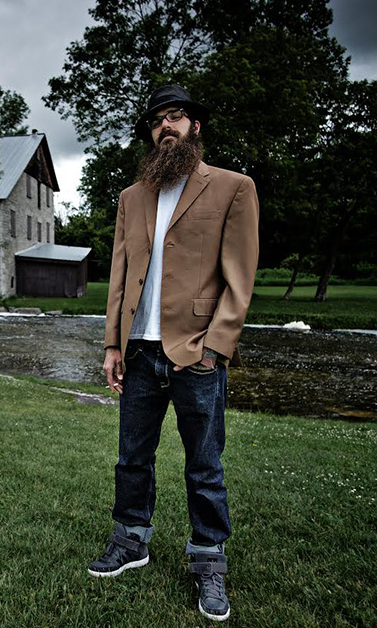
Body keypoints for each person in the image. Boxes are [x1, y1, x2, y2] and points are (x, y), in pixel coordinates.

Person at [88, 84, 259, 623]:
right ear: (150, 132)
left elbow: (240, 278)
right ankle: (131, 540)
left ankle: (208, 559)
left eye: (177, 116)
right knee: (131, 457)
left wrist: (215, 348)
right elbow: (118, 275)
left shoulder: (233, 187)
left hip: (197, 352)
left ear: (195, 127)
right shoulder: (132, 197)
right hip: (139, 350)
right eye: (159, 119)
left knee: (204, 464)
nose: (168, 125)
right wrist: (113, 343)